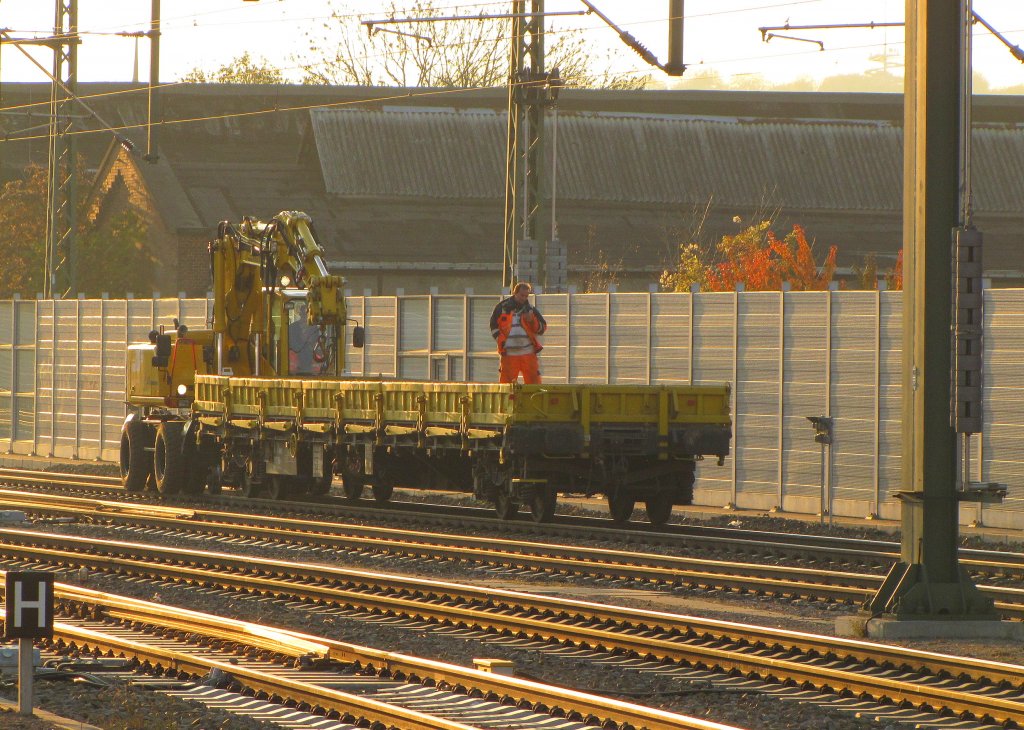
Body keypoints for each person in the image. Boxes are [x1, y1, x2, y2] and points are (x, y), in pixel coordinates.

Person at [490, 282, 547, 384]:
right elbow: (493, 327)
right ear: (515, 293)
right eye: (522, 295)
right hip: (509, 354)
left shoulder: (531, 310)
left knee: (534, 387)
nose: (524, 298)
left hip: (528, 354)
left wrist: (532, 320)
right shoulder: (501, 308)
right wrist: (502, 341)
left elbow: (542, 329)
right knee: (507, 388)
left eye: (526, 296)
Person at [288, 302, 318, 375]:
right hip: (295, 362)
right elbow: (292, 345)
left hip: (311, 361)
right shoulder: (292, 328)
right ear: (300, 314)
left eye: (307, 314)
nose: (305, 316)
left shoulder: (314, 328)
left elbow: (316, 343)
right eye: (303, 314)